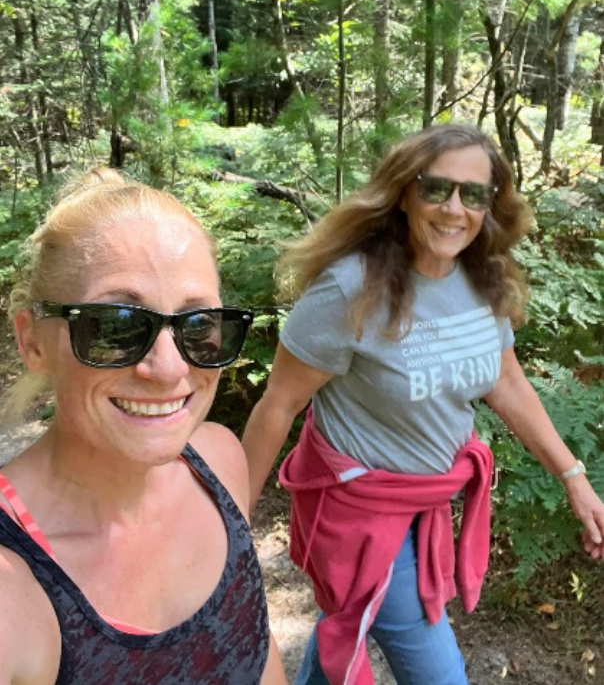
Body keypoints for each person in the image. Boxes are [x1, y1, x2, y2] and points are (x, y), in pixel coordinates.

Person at [241, 123, 604, 685]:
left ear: (491, 204)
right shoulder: (350, 291)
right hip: (359, 515)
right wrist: (233, 519)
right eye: (437, 188)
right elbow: (277, 405)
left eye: (473, 194)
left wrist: (573, 477)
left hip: (425, 503)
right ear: (405, 193)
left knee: (349, 623)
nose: (454, 208)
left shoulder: (484, 281)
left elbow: (506, 383)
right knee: (440, 675)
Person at [0, 168, 286, 685]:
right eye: (116, 326)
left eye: (199, 325)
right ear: (32, 342)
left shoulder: (219, 462)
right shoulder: (13, 590)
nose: (171, 368)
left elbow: (256, 654)